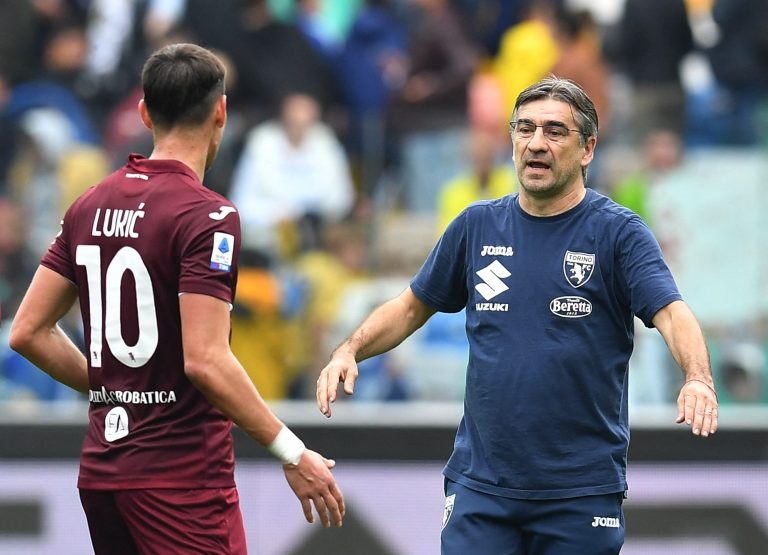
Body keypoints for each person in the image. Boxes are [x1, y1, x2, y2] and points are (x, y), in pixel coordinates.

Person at [316, 76, 717, 554]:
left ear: (588, 149)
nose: (536, 143)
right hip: (481, 488)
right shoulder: (476, 225)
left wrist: (697, 377)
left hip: (579, 491)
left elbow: (671, 312)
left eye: (554, 131)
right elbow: (410, 306)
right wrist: (349, 349)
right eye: (524, 129)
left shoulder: (618, 234)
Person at [9, 43, 344, 554]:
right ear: (221, 111)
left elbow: (27, 331)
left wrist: (115, 386)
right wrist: (293, 452)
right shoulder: (207, 216)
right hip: (180, 481)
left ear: (144, 112)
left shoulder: (88, 206)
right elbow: (206, 361)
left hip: (103, 473)